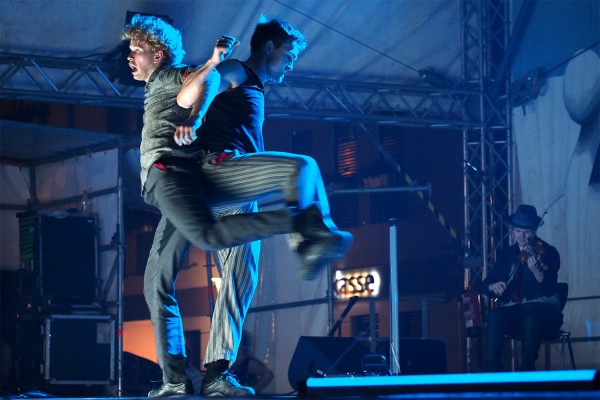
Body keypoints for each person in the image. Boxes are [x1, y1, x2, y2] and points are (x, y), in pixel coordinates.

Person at [122, 15, 352, 397]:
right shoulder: (239, 70)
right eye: (288, 53)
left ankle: (215, 374)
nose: (291, 62)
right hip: (216, 173)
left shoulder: (255, 88)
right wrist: (196, 117)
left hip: (225, 185)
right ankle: (175, 380)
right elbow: (209, 79)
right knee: (160, 280)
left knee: (241, 278)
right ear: (268, 47)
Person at [478, 204, 562, 371]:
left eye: (527, 231)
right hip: (518, 309)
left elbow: (549, 287)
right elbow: (484, 284)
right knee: (495, 316)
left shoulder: (548, 252)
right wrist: (493, 286)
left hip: (544, 308)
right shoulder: (508, 254)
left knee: (531, 320)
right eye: (518, 231)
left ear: (535, 230)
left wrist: (536, 271)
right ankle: (492, 372)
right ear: (513, 230)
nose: (522, 236)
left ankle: (526, 372)